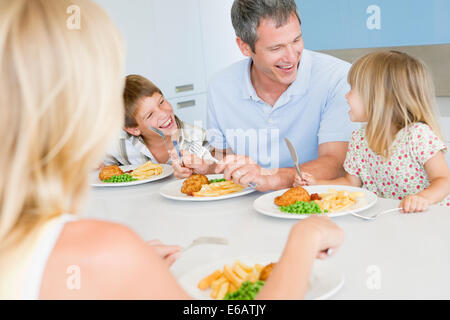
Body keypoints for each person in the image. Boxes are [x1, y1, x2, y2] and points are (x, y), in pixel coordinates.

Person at [0, 0, 344, 299]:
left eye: (296, 40)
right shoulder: (104, 249)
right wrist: (303, 239)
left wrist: (130, 267)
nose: (292, 54)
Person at [174, 0, 358, 191]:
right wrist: (207, 167)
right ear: (245, 47)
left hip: (316, 203)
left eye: (296, 40)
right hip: (243, 206)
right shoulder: (220, 86)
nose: (291, 57)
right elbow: (222, 154)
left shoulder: (337, 77)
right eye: (276, 48)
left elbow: (336, 162)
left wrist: (271, 178)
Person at [294, 51, 450, 212]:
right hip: (393, 219)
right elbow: (351, 183)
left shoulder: (418, 135)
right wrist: (316, 184)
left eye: (353, 89)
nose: (346, 96)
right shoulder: (359, 140)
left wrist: (423, 198)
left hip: (431, 218)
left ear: (378, 98)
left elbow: (444, 180)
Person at [103, 74, 208, 178]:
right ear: (134, 129)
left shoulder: (198, 136)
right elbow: (99, 166)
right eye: (150, 115)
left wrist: (205, 169)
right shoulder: (120, 144)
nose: (163, 114)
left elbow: (218, 171)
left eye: (161, 102)